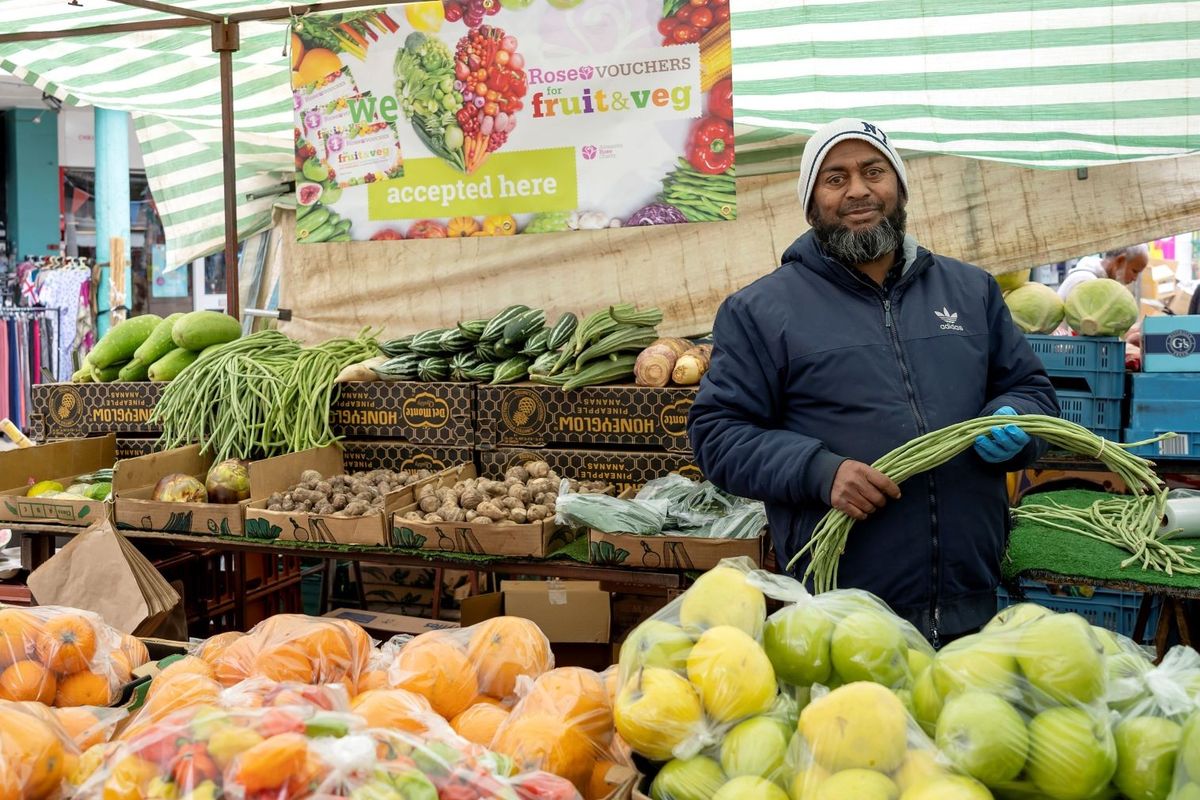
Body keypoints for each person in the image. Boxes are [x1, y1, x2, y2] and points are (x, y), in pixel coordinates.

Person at [688, 118, 1060, 646]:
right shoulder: (762, 310)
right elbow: (718, 434)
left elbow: (1031, 389)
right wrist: (820, 471)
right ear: (813, 203)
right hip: (840, 610)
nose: (858, 190)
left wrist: (1017, 422)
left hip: (969, 600)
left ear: (900, 187)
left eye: (873, 171)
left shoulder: (970, 290)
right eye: (835, 178)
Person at [1056, 245, 1150, 301]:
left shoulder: (1100, 281)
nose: (1135, 278)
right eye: (1134, 271)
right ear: (1120, 261)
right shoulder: (1086, 282)